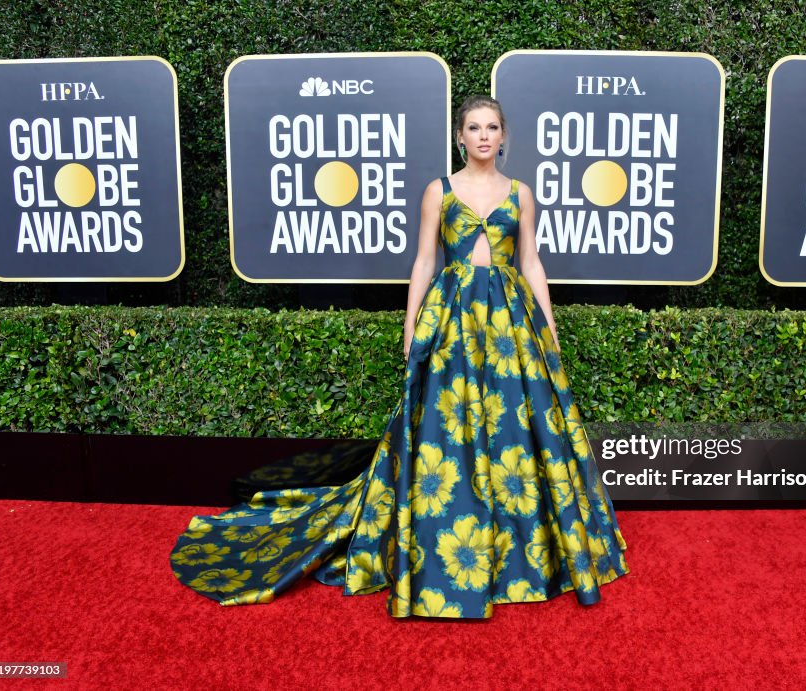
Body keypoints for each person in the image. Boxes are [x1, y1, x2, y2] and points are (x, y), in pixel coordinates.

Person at [170, 95, 628, 618]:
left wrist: (548, 327)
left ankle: (518, 547)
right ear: (461, 136)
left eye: (492, 127)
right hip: (452, 318)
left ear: (504, 137)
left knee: (515, 428)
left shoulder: (521, 193)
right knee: (446, 425)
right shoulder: (439, 189)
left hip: (509, 323)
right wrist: (410, 326)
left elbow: (531, 261)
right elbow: (424, 261)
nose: (483, 136)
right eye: (474, 127)